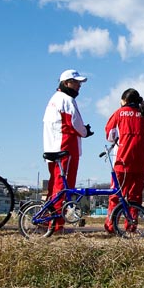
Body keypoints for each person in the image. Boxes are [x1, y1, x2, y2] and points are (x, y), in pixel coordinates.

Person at [43, 69, 93, 232]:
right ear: (66, 83)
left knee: (54, 186)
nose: (79, 86)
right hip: (66, 148)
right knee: (64, 188)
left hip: (52, 147)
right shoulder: (67, 100)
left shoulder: (53, 99)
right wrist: (85, 131)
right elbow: (75, 123)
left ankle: (47, 220)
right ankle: (56, 225)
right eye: (76, 82)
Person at [103, 88, 144, 233]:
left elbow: (109, 134)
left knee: (116, 194)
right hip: (140, 160)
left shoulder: (119, 113)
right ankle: (131, 224)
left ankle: (111, 225)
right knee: (135, 196)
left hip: (122, 160)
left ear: (124, 100)